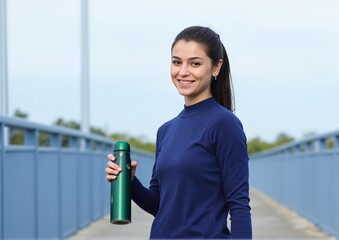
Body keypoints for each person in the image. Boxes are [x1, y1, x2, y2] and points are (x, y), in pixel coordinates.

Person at [106, 26, 252, 239]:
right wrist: (129, 181)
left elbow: (239, 205)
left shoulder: (224, 124)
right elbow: (160, 206)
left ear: (215, 67)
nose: (183, 71)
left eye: (195, 63)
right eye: (176, 62)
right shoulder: (165, 131)